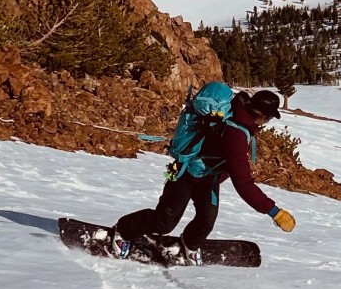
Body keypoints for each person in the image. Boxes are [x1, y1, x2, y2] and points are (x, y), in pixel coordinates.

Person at [112, 82, 296, 263]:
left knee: (206, 220)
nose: (266, 123)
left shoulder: (238, 112)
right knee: (164, 222)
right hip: (186, 172)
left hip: (208, 177)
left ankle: (190, 243)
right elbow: (243, 183)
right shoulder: (236, 134)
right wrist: (275, 212)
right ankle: (123, 230)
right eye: (269, 118)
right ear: (261, 116)